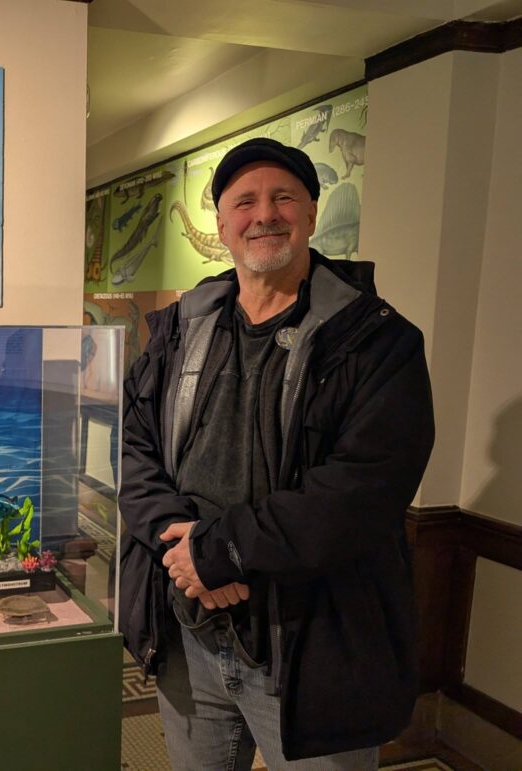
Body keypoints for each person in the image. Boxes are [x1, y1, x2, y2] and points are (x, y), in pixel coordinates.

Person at [118, 137, 434, 768]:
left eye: (282, 197)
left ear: (312, 215)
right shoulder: (179, 329)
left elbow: (361, 491)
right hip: (190, 634)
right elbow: (135, 448)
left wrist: (222, 552)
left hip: (311, 647)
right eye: (245, 202)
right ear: (222, 225)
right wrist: (182, 548)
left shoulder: (377, 341)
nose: (264, 214)